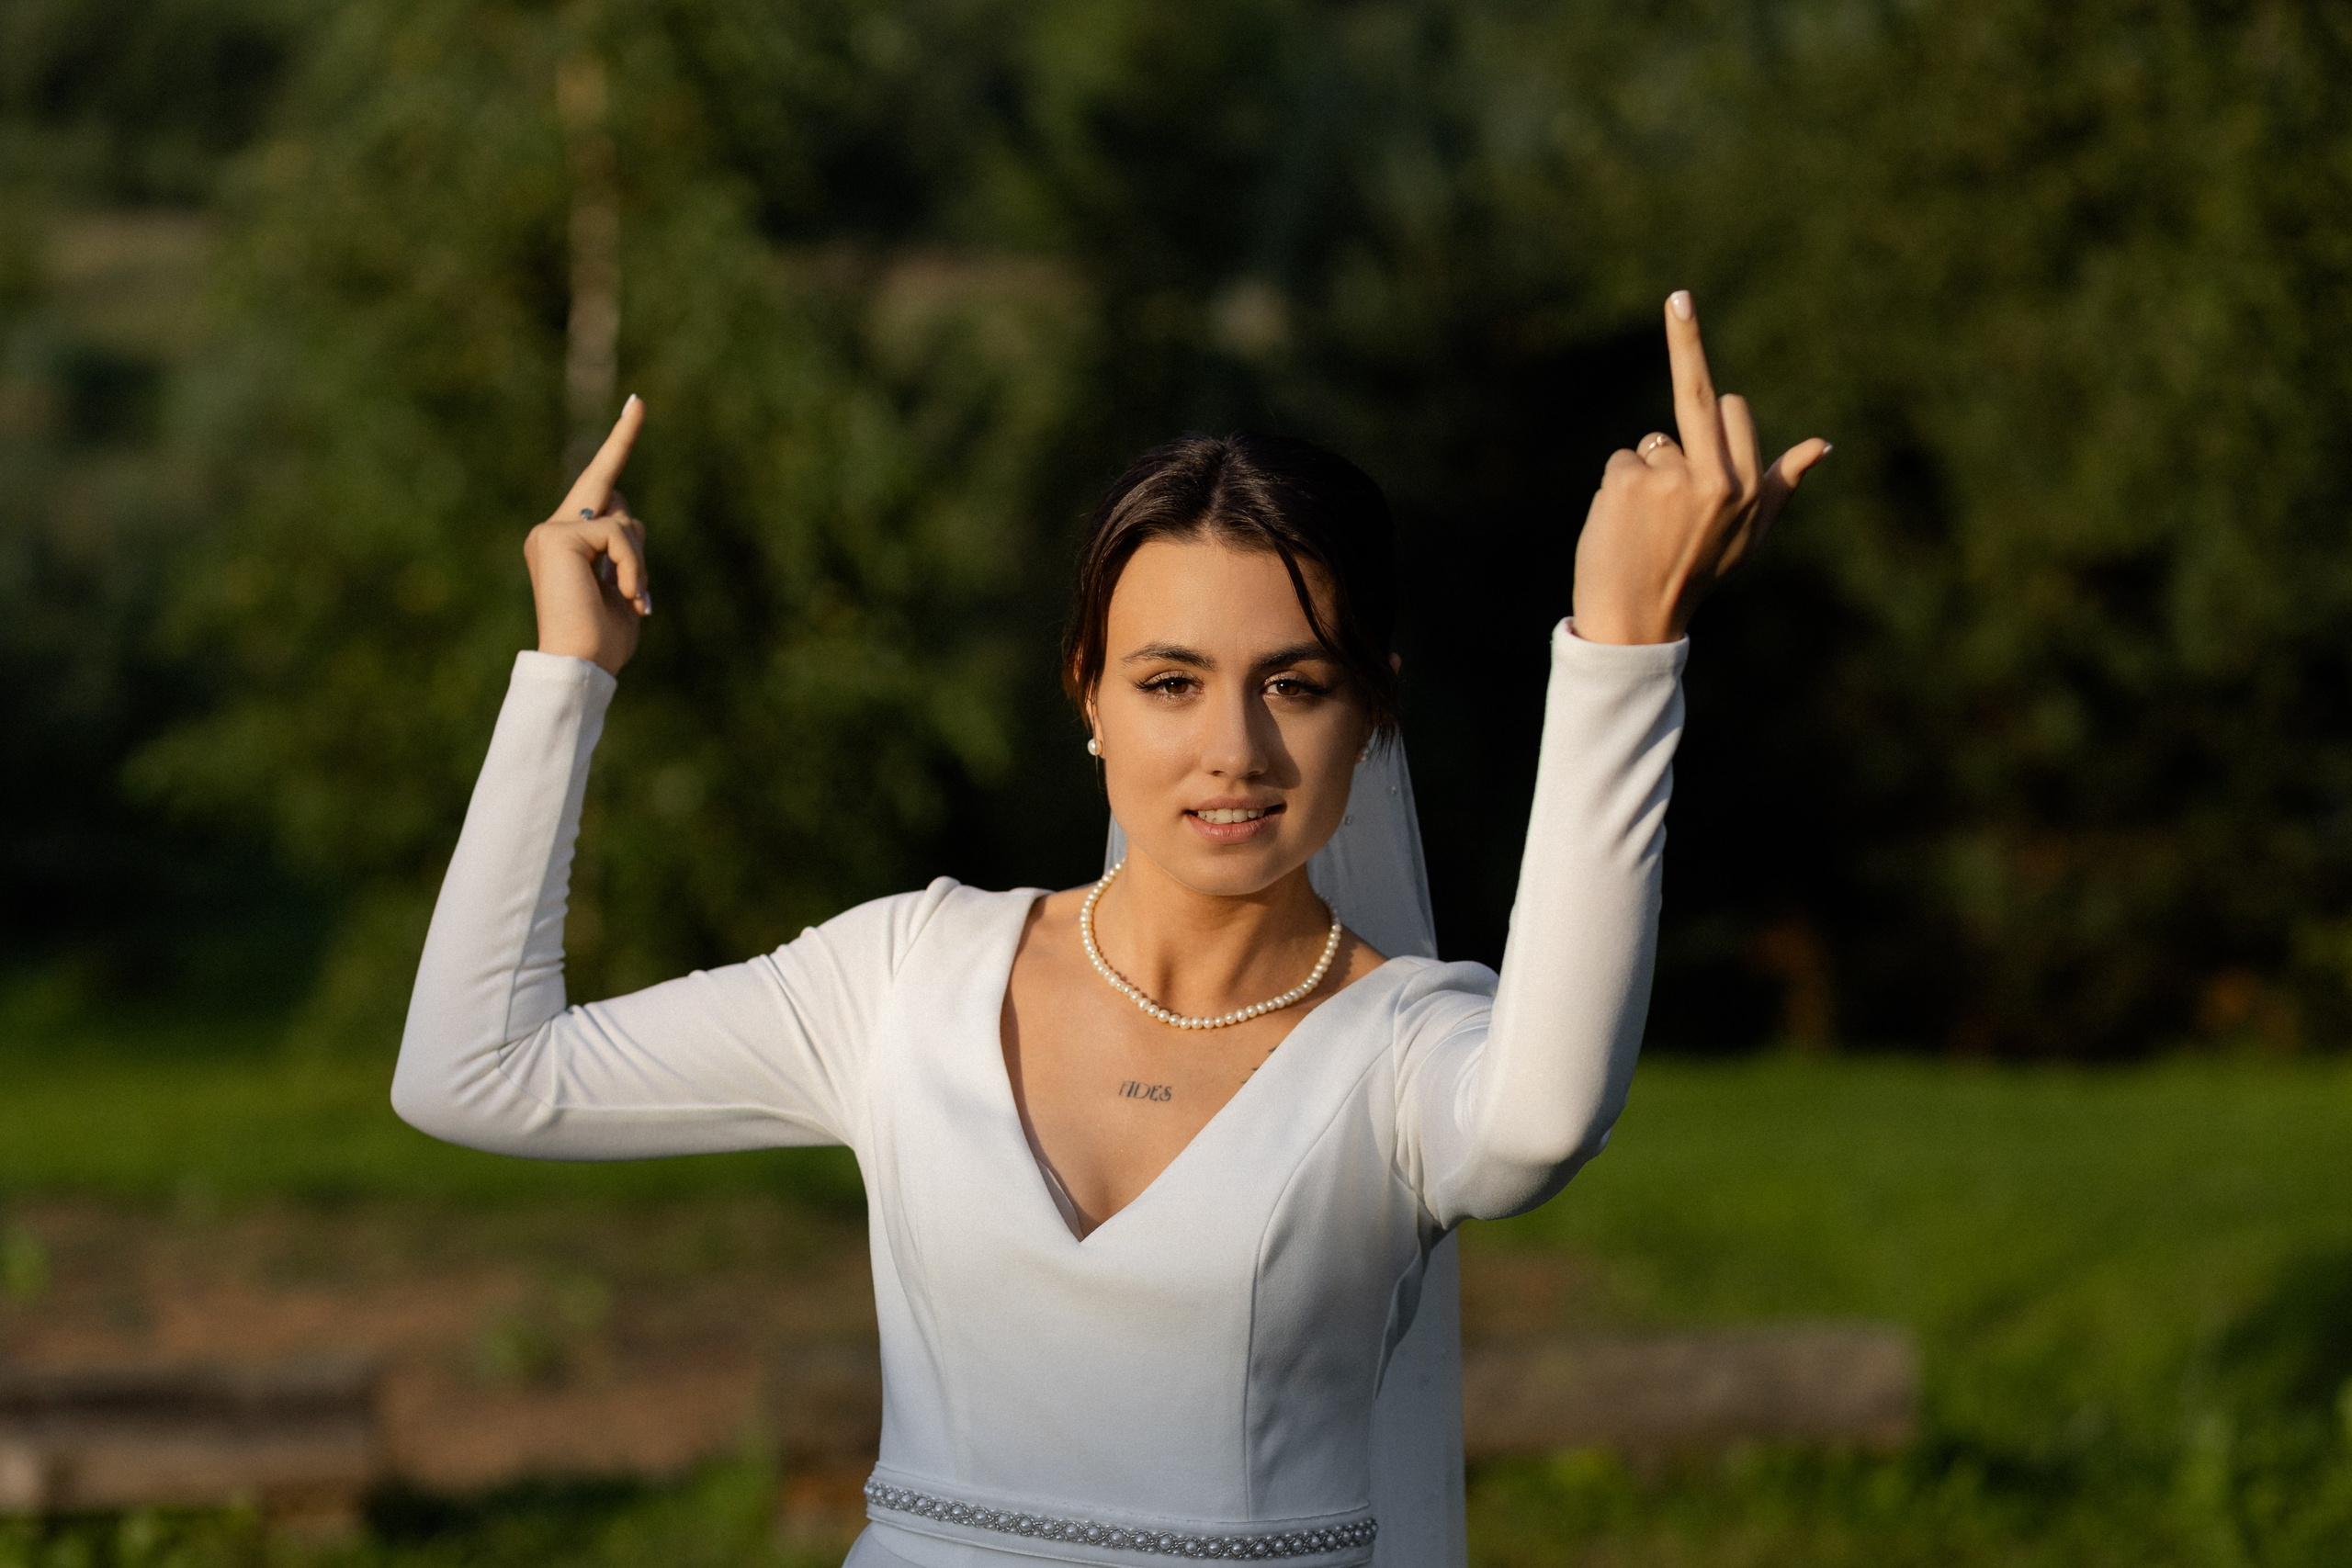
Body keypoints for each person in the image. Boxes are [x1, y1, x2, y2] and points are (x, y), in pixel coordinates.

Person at [392, 290, 1827, 1566]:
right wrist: (564, 681)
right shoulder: (904, 975)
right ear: (1086, 693)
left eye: (1299, 683)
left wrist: (1625, 654)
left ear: (1372, 709)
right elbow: (473, 1075)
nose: (1234, 749)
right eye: (1168, 680)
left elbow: (1546, 1119)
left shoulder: (1407, 1050)